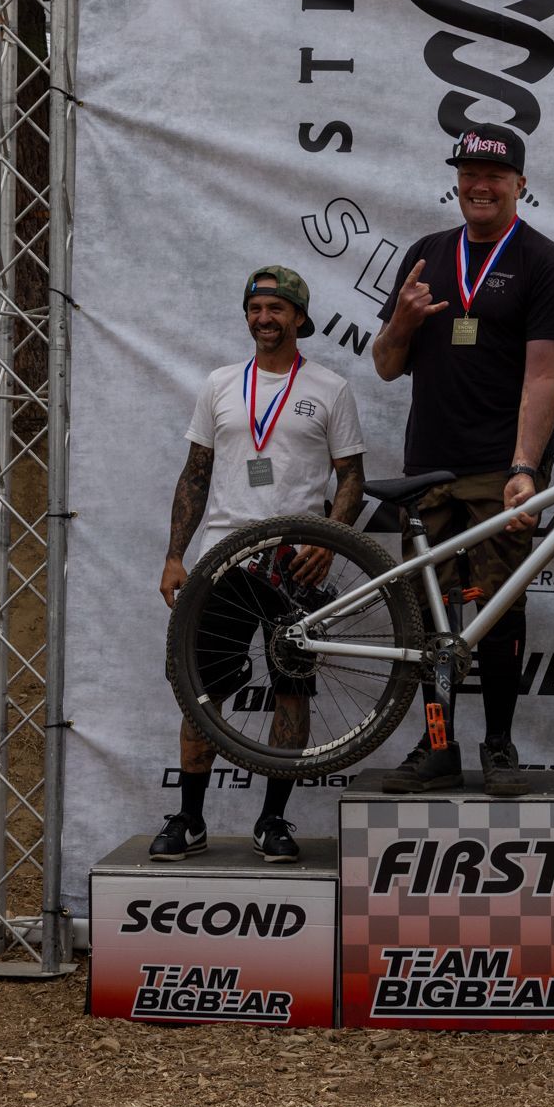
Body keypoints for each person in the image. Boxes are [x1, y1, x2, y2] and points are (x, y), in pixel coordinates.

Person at [372, 123, 554, 796]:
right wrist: (402, 321)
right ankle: (437, 748)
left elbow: (545, 375)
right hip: (426, 464)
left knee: (496, 608)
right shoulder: (427, 255)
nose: (479, 185)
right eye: (468, 173)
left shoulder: (544, 262)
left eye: (493, 175)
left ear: (520, 184)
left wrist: (524, 466)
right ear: (455, 181)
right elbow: (384, 364)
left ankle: (497, 744)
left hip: (499, 466)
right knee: (431, 618)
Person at [152, 265, 365, 862]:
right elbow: (195, 474)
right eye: (255, 309)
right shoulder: (220, 384)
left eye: (276, 309)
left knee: (291, 691)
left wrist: (331, 540)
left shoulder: (330, 388)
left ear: (299, 317)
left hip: (293, 564)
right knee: (201, 692)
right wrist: (175, 555)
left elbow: (352, 479)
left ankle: (273, 821)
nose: (264, 319)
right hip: (223, 559)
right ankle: (190, 818)